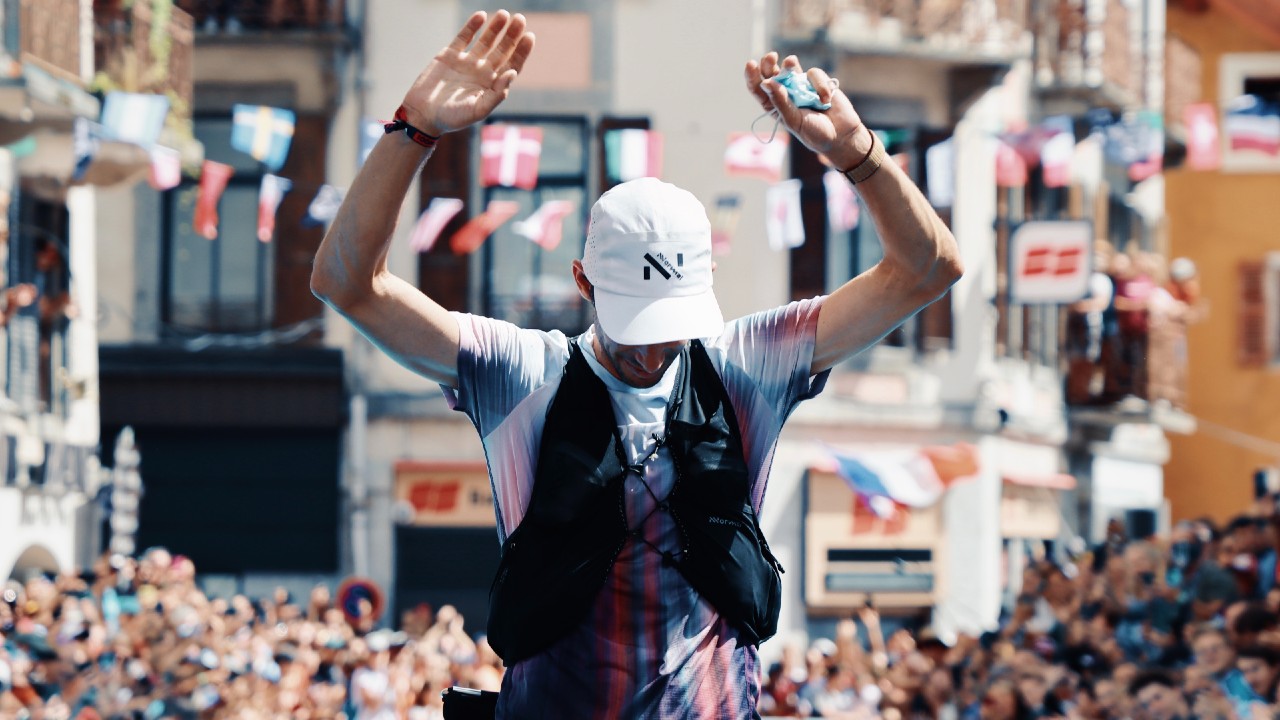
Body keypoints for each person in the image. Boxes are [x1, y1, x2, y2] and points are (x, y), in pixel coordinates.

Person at [310, 9, 961, 718]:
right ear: (582, 282)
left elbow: (926, 270)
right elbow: (348, 286)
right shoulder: (524, 371)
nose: (655, 349)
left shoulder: (746, 363)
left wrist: (857, 154)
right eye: (637, 325)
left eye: (673, 325)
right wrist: (415, 131)